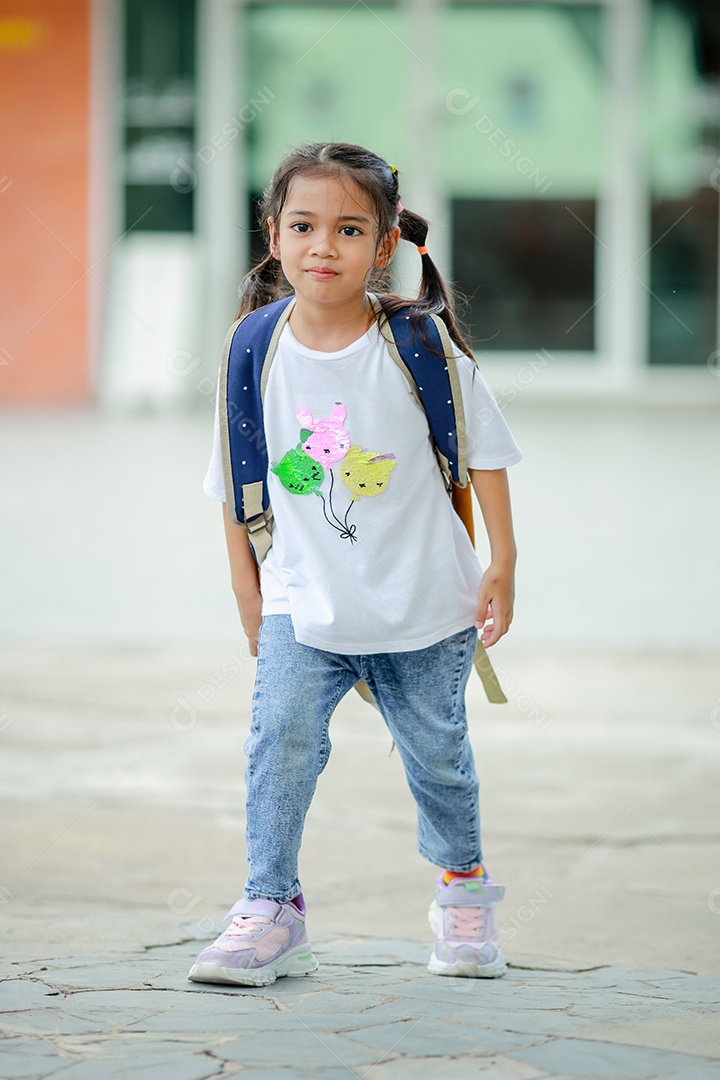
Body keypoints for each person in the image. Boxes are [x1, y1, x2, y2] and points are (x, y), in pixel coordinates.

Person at [188, 142, 522, 988]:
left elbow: (483, 452)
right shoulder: (253, 347)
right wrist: (247, 590)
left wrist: (504, 558)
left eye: (347, 229)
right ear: (273, 235)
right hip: (306, 604)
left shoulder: (418, 344)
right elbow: (236, 477)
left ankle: (463, 890)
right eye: (303, 226)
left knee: (439, 759)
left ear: (383, 248)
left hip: (424, 608)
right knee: (281, 743)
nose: (322, 247)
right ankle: (270, 907)